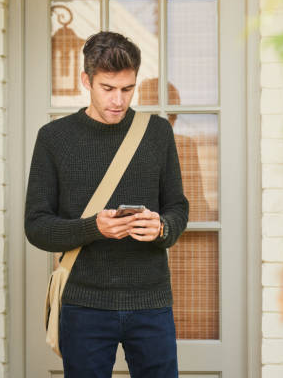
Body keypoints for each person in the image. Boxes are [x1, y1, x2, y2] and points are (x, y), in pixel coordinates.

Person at [24, 31, 189, 378]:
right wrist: (93, 227)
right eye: (108, 88)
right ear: (87, 81)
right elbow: (36, 226)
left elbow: (178, 207)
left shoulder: (157, 133)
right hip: (83, 305)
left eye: (127, 89)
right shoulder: (53, 138)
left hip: (151, 303)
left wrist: (162, 228)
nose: (118, 100)